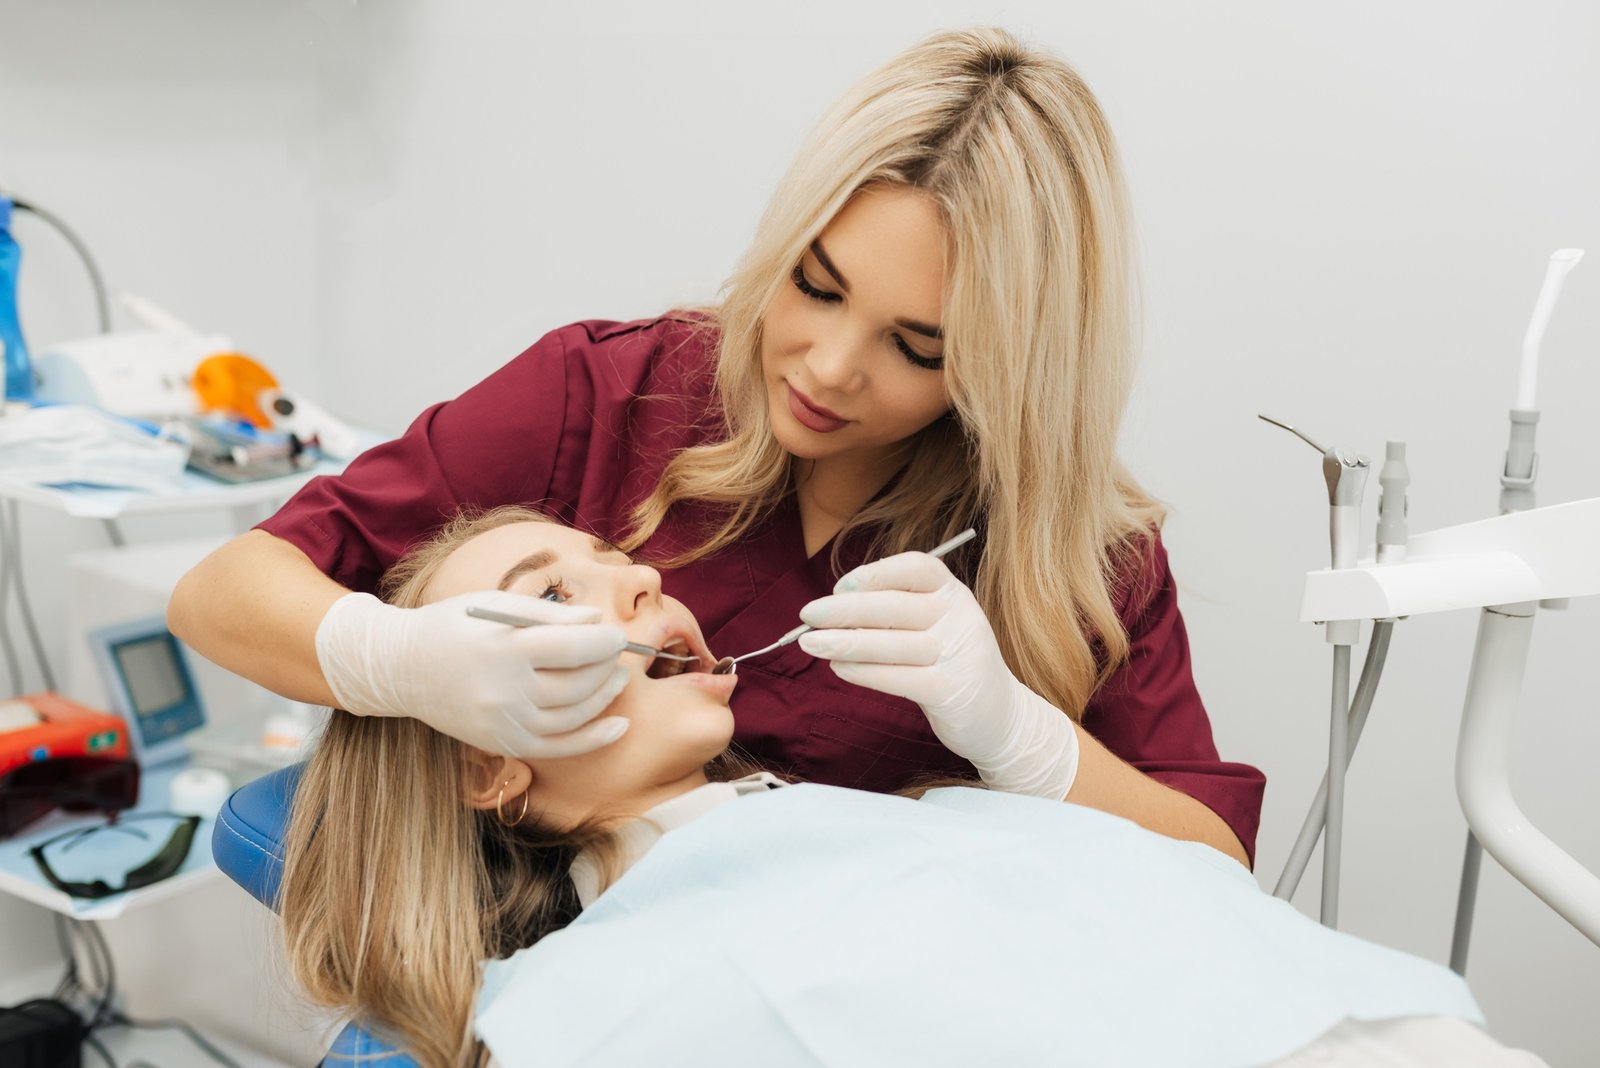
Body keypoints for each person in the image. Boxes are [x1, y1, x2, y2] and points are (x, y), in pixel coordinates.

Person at [169, 27, 1265, 868]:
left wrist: (1022, 742)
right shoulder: (611, 392)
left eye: (918, 347)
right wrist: (404, 664)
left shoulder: (1076, 555)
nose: (830, 367)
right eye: (815, 285)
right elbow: (223, 594)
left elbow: (1210, 866)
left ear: (1010, 370)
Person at [275, 507, 1537, 1068]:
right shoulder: (581, 1009)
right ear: (488, 759)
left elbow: (1207, 891)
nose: (639, 584)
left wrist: (1019, 737)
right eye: (554, 597)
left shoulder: (912, 817)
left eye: (617, 558)